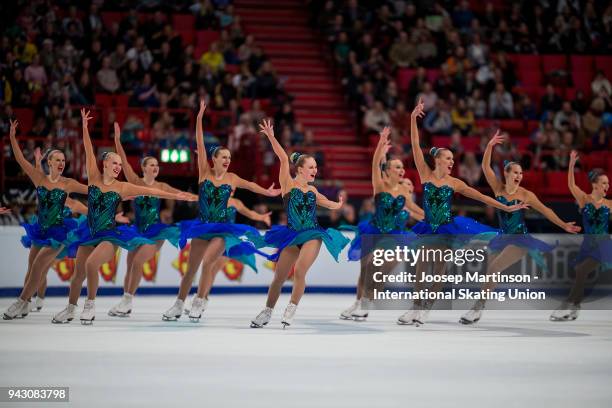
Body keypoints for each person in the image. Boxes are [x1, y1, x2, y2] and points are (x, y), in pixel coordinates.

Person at [51, 109, 196, 325]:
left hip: (110, 235)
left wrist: (177, 195)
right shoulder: (93, 177)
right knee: (77, 274)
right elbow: (88, 149)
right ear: (105, 165)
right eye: (115, 164)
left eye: (120, 164)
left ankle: (90, 305)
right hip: (89, 232)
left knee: (92, 264)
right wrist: (84, 126)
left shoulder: (123, 187)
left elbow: (154, 192)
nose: (118, 167)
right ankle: (71, 308)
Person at [397, 99, 528, 326]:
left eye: (452, 159)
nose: (451, 161)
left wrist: (505, 206)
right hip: (429, 226)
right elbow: (415, 144)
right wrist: (411, 118)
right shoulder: (424, 173)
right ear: (437, 160)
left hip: (447, 228)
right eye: (447, 158)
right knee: (420, 266)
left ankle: (426, 309)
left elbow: (481, 196)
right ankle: (416, 306)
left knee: (439, 268)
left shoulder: (455, 182)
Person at [162, 101, 280, 322]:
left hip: (222, 230)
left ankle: (199, 301)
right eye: (223, 157)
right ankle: (178, 305)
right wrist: (198, 119)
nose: (227, 160)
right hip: (202, 226)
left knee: (208, 262)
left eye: (229, 158)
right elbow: (199, 140)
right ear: (214, 159)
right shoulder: (204, 173)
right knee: (190, 270)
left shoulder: (232, 178)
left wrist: (268, 191)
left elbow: (250, 186)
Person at [460, 131, 580, 325]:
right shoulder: (498, 188)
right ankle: (479, 306)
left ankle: (477, 308)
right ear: (506, 173)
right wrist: (489, 146)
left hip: (520, 239)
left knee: (493, 267)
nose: (519, 176)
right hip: (502, 237)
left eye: (521, 173)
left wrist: (564, 224)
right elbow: (485, 166)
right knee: (491, 271)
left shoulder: (526, 195)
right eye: (515, 172)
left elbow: (546, 211)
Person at [251, 119, 349, 328]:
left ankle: (291, 309)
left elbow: (328, 204)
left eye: (316, 167)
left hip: (312, 234)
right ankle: (267, 311)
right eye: (311, 167)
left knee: (300, 272)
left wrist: (338, 204)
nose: (315, 170)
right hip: (292, 235)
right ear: (301, 169)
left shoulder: (313, 191)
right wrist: (270, 136)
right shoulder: (288, 184)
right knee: (278, 278)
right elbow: (283, 158)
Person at [108, 122, 196, 318]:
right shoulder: (135, 182)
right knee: (130, 264)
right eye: (152, 165)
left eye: (157, 165)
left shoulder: (162, 186)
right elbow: (123, 160)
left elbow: (178, 194)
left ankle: (128, 299)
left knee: (138, 261)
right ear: (143, 168)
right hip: (137, 229)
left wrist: (195, 197)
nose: (156, 168)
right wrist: (117, 140)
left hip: (156, 231)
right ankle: (126, 302)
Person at [3, 120, 88, 320]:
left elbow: (92, 191)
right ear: (49, 162)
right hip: (40, 229)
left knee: (39, 266)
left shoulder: (68, 183)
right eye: (57, 160)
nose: (61, 163)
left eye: (63, 161)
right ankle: (27, 303)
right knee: (32, 267)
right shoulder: (39, 179)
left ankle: (20, 302)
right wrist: (13, 138)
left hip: (58, 232)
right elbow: (20, 159)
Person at [340, 127, 424, 321]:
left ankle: (367, 302)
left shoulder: (404, 189)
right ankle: (359, 302)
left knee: (381, 266)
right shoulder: (380, 185)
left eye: (402, 168)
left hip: (394, 234)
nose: (402, 170)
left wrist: (432, 221)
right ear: (387, 171)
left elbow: (413, 208)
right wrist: (380, 144)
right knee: (365, 268)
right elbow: (374, 165)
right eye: (397, 167)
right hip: (373, 230)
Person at [550, 152, 611, 321]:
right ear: (595, 185)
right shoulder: (584, 199)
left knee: (581, 270)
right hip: (588, 244)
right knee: (580, 272)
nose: (607, 186)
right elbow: (571, 185)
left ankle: (569, 304)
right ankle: (575, 307)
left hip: (603, 244)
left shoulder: (609, 204)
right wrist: (571, 164)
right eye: (604, 183)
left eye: (608, 183)